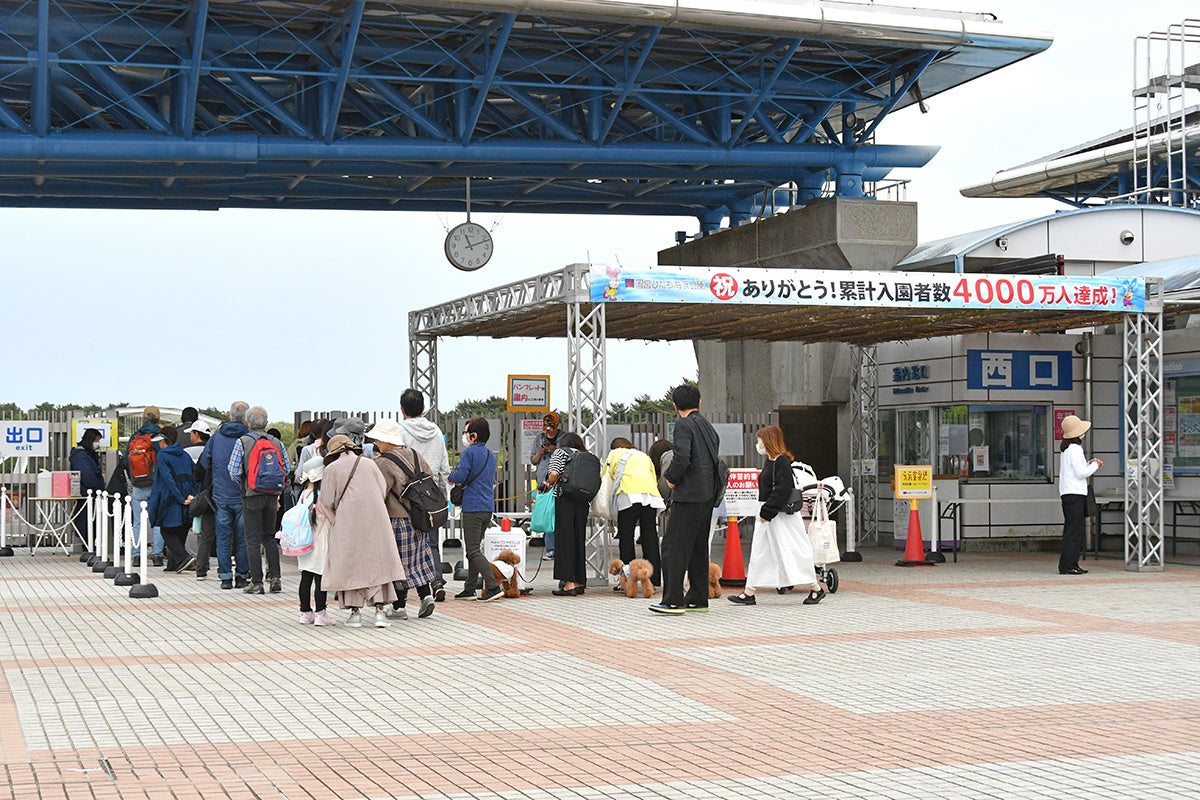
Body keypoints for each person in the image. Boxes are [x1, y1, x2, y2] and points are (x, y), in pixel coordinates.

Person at [727, 425, 824, 606]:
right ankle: (749, 591)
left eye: (759, 440)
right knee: (760, 551)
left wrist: (767, 512)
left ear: (768, 441)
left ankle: (815, 587)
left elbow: (783, 489)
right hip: (770, 514)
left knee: (791, 549)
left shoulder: (781, 462)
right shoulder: (771, 462)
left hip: (779, 515)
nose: (758, 444)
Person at [319, 435, 407, 628]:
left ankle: (355, 613)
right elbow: (382, 490)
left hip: (347, 521)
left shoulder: (332, 469)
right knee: (377, 562)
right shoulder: (370, 464)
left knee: (351, 565)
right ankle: (380, 612)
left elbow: (326, 500)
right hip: (376, 519)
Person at [651, 385, 719, 615]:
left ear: (675, 405)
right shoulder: (706, 425)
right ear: (699, 403)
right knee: (698, 548)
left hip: (688, 495)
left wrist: (671, 479)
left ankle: (672, 600)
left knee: (673, 547)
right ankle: (698, 598)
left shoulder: (683, 424)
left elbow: (681, 456)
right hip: (707, 494)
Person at [368, 419, 439, 620]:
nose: (376, 443)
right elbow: (430, 476)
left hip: (397, 518)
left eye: (378, 439)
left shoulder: (383, 463)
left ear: (387, 440)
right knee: (419, 558)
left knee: (400, 562)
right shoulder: (415, 454)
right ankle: (426, 596)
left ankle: (399, 607)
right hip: (420, 516)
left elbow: (378, 492)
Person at [228, 407, 290, 595]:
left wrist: (246, 484)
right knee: (269, 537)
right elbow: (286, 469)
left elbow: (233, 471)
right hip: (271, 495)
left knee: (252, 540)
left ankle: (256, 582)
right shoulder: (276, 442)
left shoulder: (243, 442)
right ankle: (275, 578)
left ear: (247, 423)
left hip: (251, 495)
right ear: (267, 422)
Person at [398, 389, 452, 601]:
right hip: (431, 492)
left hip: (407, 494)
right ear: (423, 408)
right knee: (431, 541)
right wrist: (442, 493)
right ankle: (436, 581)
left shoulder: (400, 431)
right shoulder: (436, 431)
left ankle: (403, 591)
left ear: (402, 409)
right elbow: (444, 466)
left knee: (406, 544)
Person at [447, 418, 503, 602]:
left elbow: (460, 475)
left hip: (473, 507)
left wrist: (451, 476)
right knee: (474, 548)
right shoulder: (490, 455)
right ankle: (470, 588)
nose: (464, 436)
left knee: (472, 550)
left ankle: (493, 586)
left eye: (466, 433)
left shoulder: (469, 453)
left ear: (474, 436)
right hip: (487, 506)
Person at [200, 401, 251, 590]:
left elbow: (205, 462)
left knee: (223, 538)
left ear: (230, 416)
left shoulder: (217, 437)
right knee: (242, 539)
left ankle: (225, 578)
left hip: (221, 495)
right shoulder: (249, 437)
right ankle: (242, 576)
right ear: (246, 418)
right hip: (243, 494)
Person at [605, 437, 663, 588]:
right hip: (650, 496)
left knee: (626, 537)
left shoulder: (614, 454)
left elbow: (606, 476)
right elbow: (653, 477)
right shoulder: (643, 455)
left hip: (628, 495)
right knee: (650, 537)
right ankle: (654, 579)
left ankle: (627, 580)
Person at [542, 432, 592, 596]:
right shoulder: (587, 455)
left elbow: (554, 474)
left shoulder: (560, 452)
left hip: (565, 499)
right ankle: (579, 582)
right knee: (578, 540)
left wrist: (548, 483)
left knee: (565, 540)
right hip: (583, 501)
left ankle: (568, 584)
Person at [147, 426, 196, 572]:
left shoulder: (163, 455)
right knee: (180, 529)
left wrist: (180, 498)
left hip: (170, 498)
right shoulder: (184, 454)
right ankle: (173, 564)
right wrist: (190, 496)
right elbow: (194, 475)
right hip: (187, 497)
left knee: (166, 530)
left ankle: (183, 558)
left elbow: (168, 479)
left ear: (164, 441)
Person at [293, 456, 335, 626]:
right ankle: (320, 614)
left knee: (305, 578)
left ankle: (305, 612)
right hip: (321, 541)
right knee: (320, 578)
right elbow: (333, 519)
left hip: (304, 541)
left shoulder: (304, 495)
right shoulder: (322, 496)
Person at [1058, 414, 1101, 576]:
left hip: (1067, 493)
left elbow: (1076, 470)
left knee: (1071, 529)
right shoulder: (1075, 449)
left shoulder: (1066, 450)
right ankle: (1070, 565)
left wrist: (1089, 464)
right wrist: (1095, 465)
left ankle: (1068, 564)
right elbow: (1081, 473)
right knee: (1075, 531)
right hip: (1075, 494)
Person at [126, 405, 164, 564]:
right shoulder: (160, 437)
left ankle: (136, 555)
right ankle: (157, 556)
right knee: (158, 522)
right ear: (158, 419)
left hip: (138, 485)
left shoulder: (135, 437)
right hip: (157, 485)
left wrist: (134, 479)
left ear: (143, 420)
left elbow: (126, 462)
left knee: (137, 522)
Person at [530, 411, 565, 558]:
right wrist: (540, 452)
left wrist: (554, 449)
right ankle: (550, 549)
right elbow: (533, 460)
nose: (548, 430)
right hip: (544, 481)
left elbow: (568, 454)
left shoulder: (564, 437)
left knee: (560, 516)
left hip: (560, 480)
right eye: (546, 427)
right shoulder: (539, 438)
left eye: (551, 426)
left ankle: (562, 548)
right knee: (547, 514)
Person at [184, 421, 216, 579]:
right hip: (229, 495)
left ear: (196, 434)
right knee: (229, 535)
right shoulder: (220, 447)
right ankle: (229, 571)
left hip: (208, 498)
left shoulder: (195, 451)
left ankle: (202, 568)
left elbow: (196, 475)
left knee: (206, 535)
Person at [68, 428, 105, 547]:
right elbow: (87, 475)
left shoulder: (87, 454)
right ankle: (88, 545)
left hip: (91, 492)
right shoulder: (81, 456)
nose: (97, 444)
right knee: (87, 520)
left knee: (91, 520)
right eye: (96, 440)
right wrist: (98, 487)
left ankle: (90, 544)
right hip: (87, 493)